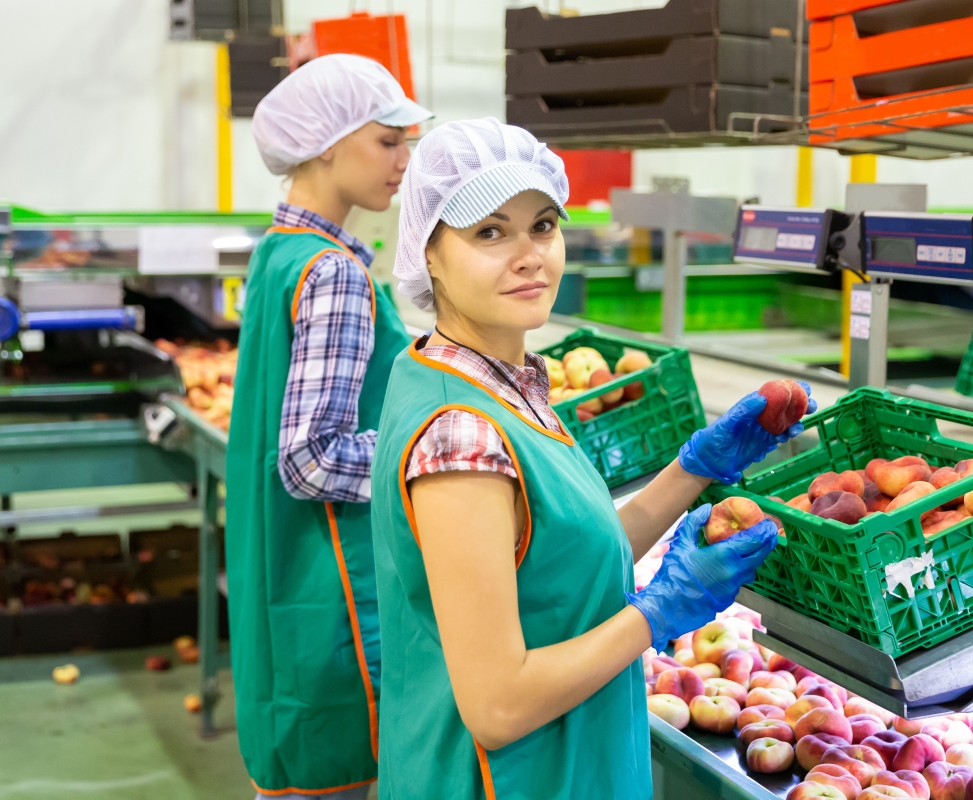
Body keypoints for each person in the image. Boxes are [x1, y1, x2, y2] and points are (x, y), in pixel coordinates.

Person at [369, 118, 814, 798]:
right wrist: (658, 614)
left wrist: (695, 468)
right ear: (429, 253)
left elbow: (559, 562)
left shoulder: (487, 377)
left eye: (542, 225)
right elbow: (498, 707)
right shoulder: (462, 435)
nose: (529, 255)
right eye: (489, 232)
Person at [225, 54, 431, 799]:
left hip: (280, 573)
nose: (403, 161)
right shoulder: (335, 272)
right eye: (386, 141)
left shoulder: (280, 252)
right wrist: (431, 451)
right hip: (333, 585)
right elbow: (310, 460)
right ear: (324, 144)